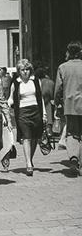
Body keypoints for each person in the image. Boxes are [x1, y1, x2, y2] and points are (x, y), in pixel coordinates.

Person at [8, 59, 46, 176]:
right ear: (19, 71)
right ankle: (28, 163)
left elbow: (41, 98)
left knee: (35, 137)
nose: (25, 72)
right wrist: (7, 105)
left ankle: (30, 158)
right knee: (26, 137)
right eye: (22, 70)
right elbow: (11, 98)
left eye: (27, 69)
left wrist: (44, 114)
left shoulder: (36, 81)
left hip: (36, 111)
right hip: (23, 112)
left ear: (30, 70)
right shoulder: (16, 83)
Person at [54, 40, 82, 176]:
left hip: (70, 105)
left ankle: (74, 158)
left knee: (72, 133)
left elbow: (58, 88)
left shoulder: (63, 67)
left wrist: (57, 103)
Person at [38, 66, 55, 148]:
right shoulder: (50, 82)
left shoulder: (37, 82)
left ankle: (42, 134)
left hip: (39, 103)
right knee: (49, 116)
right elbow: (52, 94)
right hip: (48, 102)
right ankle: (49, 130)